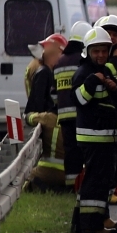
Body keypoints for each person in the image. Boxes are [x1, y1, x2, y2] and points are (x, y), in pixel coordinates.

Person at [72, 26, 117, 233]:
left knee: (100, 180)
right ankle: (92, 226)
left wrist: (114, 88)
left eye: (104, 51)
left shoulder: (107, 70)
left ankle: (84, 221)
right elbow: (81, 100)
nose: (100, 55)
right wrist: (93, 81)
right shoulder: (83, 72)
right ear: (88, 52)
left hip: (105, 136)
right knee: (95, 181)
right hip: (93, 136)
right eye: (96, 51)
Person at [95, 14, 117, 205]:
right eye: (108, 33)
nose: (112, 37)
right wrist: (116, 60)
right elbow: (105, 72)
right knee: (106, 163)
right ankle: (106, 196)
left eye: (115, 34)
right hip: (104, 122)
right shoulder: (102, 58)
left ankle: (112, 191)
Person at [24, 32, 67, 188]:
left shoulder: (46, 71)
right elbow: (37, 103)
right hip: (42, 122)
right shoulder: (45, 73)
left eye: (46, 47)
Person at [51, 21, 91, 189]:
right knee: (85, 152)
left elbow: (53, 94)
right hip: (81, 115)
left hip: (64, 118)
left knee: (70, 153)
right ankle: (82, 186)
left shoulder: (60, 62)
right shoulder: (82, 62)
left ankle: (70, 185)